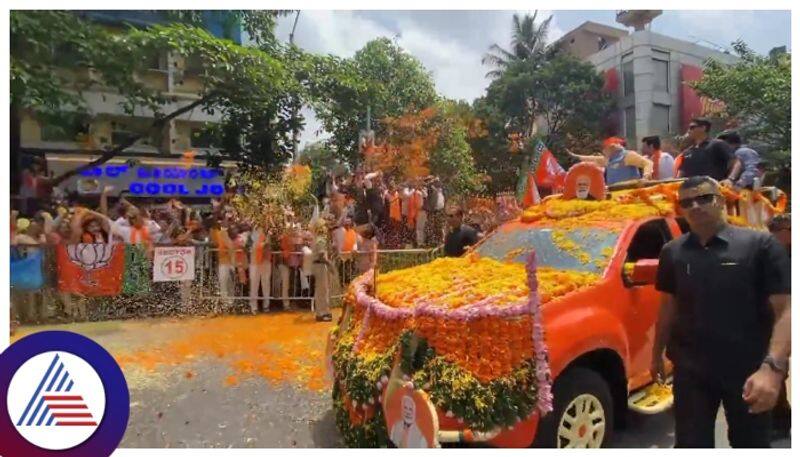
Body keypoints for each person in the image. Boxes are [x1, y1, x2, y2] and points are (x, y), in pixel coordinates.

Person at [652, 176, 791, 448]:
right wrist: (656, 354)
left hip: (748, 369)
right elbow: (668, 306)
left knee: (750, 444)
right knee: (691, 445)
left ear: (722, 201)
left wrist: (773, 368)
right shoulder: (672, 252)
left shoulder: (760, 245)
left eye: (704, 198)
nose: (695, 206)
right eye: (687, 202)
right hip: (691, 371)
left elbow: (785, 310)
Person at [567, 137, 653, 185]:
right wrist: (576, 156)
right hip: (614, 193)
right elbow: (593, 158)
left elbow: (648, 163)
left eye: (605, 148)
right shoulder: (608, 159)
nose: (603, 150)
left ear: (612, 147)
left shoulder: (628, 155)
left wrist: (646, 177)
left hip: (629, 192)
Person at [676, 118, 737, 185]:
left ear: (703, 128)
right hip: (691, 192)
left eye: (692, 127)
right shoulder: (687, 152)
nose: (688, 131)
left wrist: (730, 179)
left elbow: (736, 162)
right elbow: (681, 173)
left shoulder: (717, 144)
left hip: (713, 191)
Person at [248, 221, 272, 314]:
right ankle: (253, 307)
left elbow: (268, 246)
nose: (260, 229)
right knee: (254, 285)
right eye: (258, 227)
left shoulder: (267, 236)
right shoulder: (251, 237)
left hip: (265, 263)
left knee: (266, 285)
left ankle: (266, 306)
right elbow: (253, 247)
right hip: (254, 264)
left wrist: (268, 238)